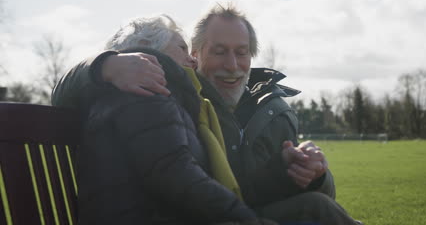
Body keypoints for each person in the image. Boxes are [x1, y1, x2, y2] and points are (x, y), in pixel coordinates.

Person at [53, 6, 361, 225]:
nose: (232, 64)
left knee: (317, 205)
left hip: (210, 211)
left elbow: (239, 186)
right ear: (197, 56)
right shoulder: (152, 90)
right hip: (197, 215)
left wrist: (304, 173)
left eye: (241, 52)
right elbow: (175, 173)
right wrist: (105, 64)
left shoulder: (267, 107)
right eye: (217, 51)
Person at [67, 15, 276, 225]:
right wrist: (245, 217)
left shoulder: (142, 95)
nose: (193, 59)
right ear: (148, 50)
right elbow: (173, 172)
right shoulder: (145, 91)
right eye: (182, 48)